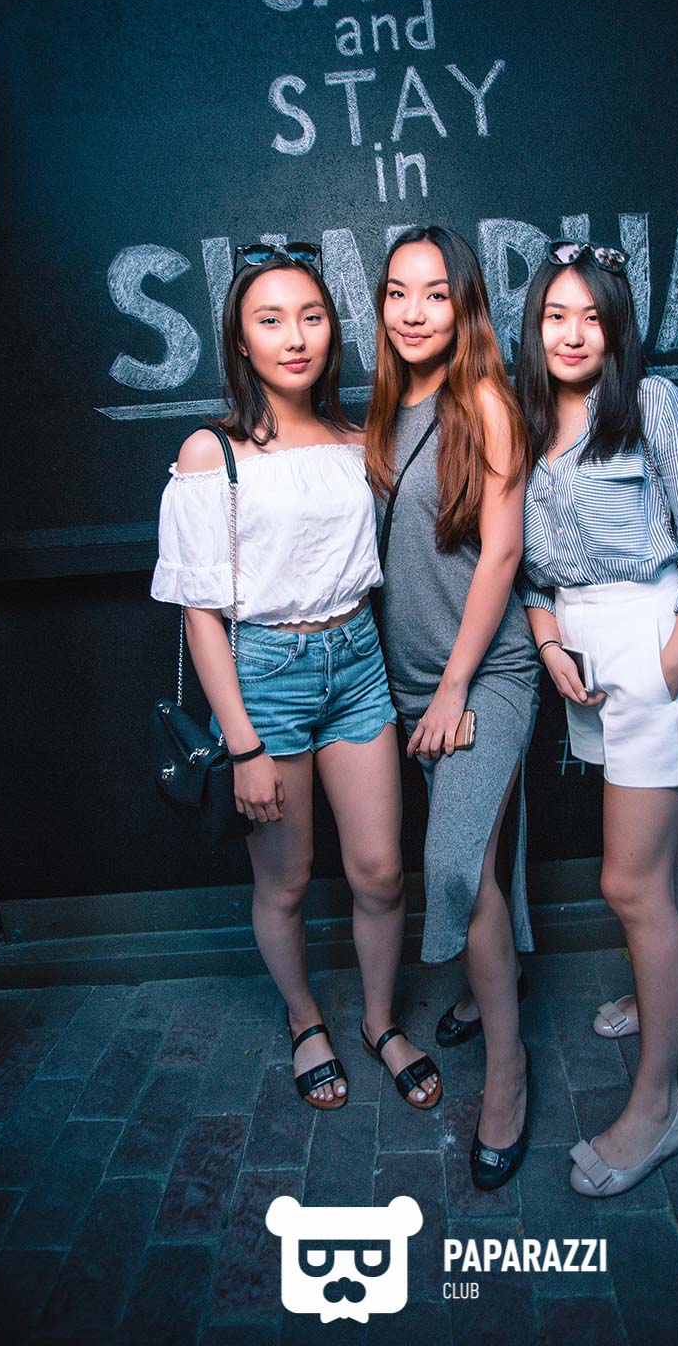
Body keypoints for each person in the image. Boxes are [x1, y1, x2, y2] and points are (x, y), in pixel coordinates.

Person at [151, 244, 441, 1115]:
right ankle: (306, 1019)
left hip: (357, 661)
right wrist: (242, 744)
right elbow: (200, 614)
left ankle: (379, 1022)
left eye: (311, 316)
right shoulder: (212, 452)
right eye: (270, 320)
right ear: (240, 340)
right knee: (285, 879)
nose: (295, 336)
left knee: (381, 871)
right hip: (264, 677)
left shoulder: (358, 440)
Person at [516, 240, 678, 1196]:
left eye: (592, 317)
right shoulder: (528, 422)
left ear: (618, 327)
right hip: (584, 655)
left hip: (651, 645)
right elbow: (530, 569)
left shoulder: (657, 406)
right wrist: (551, 643)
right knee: (667, 846)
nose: (573, 334)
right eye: (555, 315)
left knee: (628, 880)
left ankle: (659, 1107)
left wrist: (669, 663)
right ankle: (673, 991)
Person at [366, 225, 540, 1190]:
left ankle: (507, 1075)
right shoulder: (386, 410)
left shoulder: (486, 403)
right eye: (398, 293)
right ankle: (488, 987)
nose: (414, 312)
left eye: (435, 293)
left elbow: (503, 553)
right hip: (408, 681)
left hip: (485, 674)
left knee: (456, 863)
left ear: (464, 303)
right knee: (484, 861)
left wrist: (454, 688)